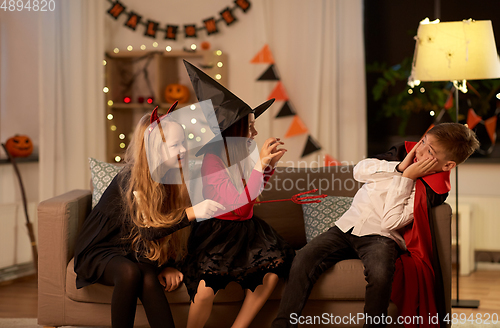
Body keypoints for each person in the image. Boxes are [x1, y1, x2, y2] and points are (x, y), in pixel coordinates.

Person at [272, 122, 480, 328]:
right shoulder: (400, 155)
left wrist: (406, 178)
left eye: (430, 151)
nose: (420, 149)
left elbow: (389, 222)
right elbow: (359, 172)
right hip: (347, 226)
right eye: (423, 141)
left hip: (381, 237)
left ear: (448, 165)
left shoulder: (431, 190)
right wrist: (400, 168)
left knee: (380, 274)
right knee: (303, 259)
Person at [73, 104, 225, 328]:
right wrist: (193, 212)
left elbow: (175, 234)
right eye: (175, 145)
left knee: (148, 277)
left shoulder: (176, 179)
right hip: (102, 250)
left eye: (184, 143)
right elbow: (149, 229)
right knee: (129, 273)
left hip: (135, 252)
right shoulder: (130, 180)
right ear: (154, 149)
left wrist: (170, 265)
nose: (183, 149)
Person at [181, 60, 296, 328]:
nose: (255, 133)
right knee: (206, 288)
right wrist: (261, 165)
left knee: (270, 273)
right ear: (233, 131)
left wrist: (268, 167)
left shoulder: (241, 154)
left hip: (247, 231)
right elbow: (240, 206)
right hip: (218, 232)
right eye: (250, 127)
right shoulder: (212, 161)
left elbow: (251, 195)